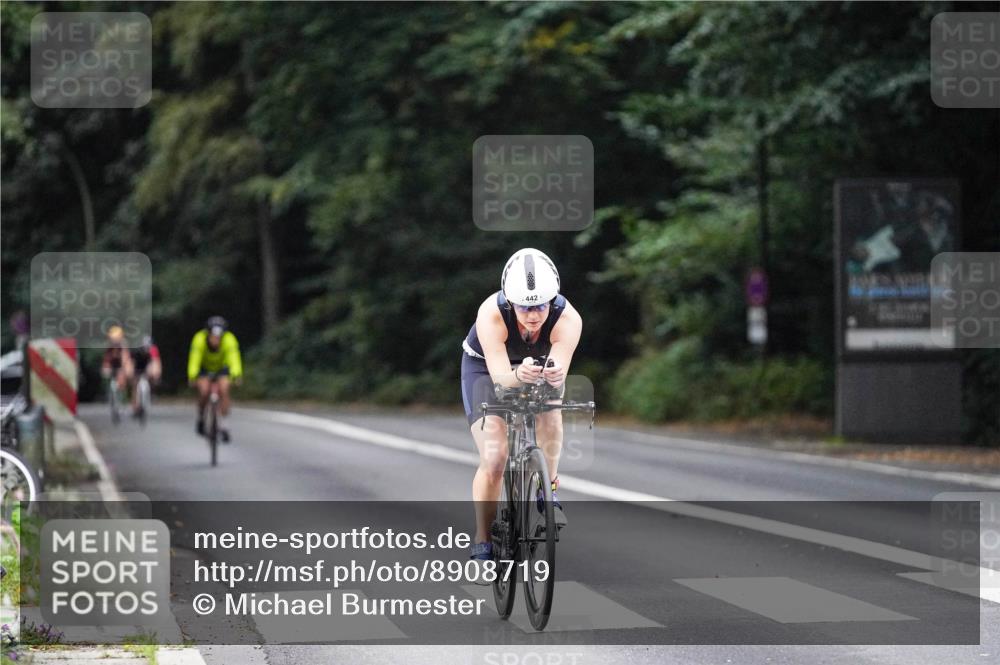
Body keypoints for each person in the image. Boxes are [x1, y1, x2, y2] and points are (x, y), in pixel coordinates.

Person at [460, 248, 582, 574]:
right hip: (487, 370)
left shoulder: (568, 318)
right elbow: (500, 378)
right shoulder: (491, 313)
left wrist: (554, 373)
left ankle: (548, 488)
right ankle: (482, 540)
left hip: (536, 368)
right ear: (509, 300)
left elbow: (559, 367)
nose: (533, 315)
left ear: (553, 300)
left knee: (552, 412)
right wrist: (516, 376)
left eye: (541, 305)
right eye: (525, 306)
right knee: (495, 457)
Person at [187, 316, 243, 442]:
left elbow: (234, 358)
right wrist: (192, 375)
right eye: (213, 337)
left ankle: (224, 423)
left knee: (224, 390)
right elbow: (194, 358)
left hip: (221, 368)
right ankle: (201, 418)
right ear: (208, 334)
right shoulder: (199, 339)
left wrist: (236, 374)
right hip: (204, 368)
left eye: (219, 337)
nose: (216, 340)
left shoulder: (229, 339)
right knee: (204, 391)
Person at [129, 335, 162, 417]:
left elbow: (156, 362)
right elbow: (130, 363)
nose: (147, 350)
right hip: (137, 366)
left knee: (152, 374)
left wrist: (156, 373)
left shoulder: (153, 350)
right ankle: (135, 407)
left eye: (148, 348)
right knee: (135, 385)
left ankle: (151, 391)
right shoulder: (136, 351)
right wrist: (130, 373)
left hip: (147, 365)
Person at [101, 326, 133, 396]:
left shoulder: (123, 345)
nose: (114, 340)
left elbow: (125, 358)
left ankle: (124, 387)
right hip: (113, 363)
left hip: (122, 363)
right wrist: (105, 367)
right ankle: (113, 389)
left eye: (116, 338)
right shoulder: (109, 346)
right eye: (113, 338)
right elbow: (106, 359)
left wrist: (122, 370)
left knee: (127, 371)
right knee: (106, 372)